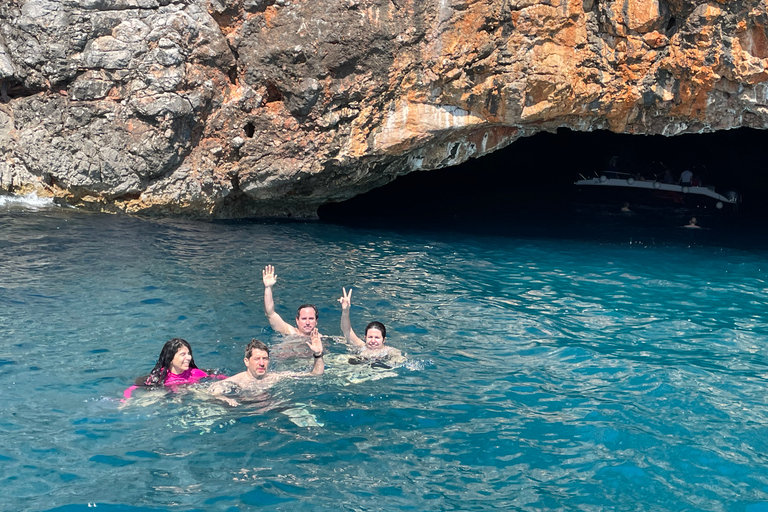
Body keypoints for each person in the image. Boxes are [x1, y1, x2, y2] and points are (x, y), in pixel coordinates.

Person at [208, 332, 324, 405]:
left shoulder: (275, 378)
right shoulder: (237, 381)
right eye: (257, 359)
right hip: (242, 411)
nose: (262, 363)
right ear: (246, 361)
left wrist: (318, 354)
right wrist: (225, 399)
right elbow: (209, 391)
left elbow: (315, 375)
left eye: (265, 358)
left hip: (271, 407)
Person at [123, 338, 226, 400]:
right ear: (171, 359)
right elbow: (131, 388)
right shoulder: (158, 377)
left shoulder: (195, 373)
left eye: (189, 354)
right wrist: (125, 401)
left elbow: (220, 377)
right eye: (183, 354)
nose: (188, 358)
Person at [338, 287, 404, 364]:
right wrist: (345, 311)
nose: (373, 341)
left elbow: (399, 360)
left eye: (377, 338)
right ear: (365, 338)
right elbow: (346, 330)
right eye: (370, 337)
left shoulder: (390, 351)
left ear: (384, 340)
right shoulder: (361, 346)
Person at [262, 264, 319, 337]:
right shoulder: (288, 331)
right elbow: (270, 313)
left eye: (311, 319)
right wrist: (268, 287)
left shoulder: (321, 339)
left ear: (316, 321)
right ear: (297, 320)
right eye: (304, 319)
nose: (307, 322)